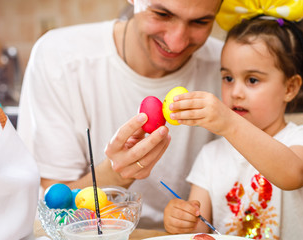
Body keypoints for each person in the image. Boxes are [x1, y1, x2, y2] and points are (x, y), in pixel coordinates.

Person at [17, 0, 223, 229]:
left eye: (200, 22)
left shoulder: (230, 69)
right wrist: (116, 174)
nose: (176, 42)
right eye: (162, 14)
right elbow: (56, 208)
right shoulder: (59, 59)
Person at [163, 0, 303, 238]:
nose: (236, 92)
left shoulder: (300, 140)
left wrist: (229, 123)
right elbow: (202, 229)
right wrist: (182, 220)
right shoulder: (211, 156)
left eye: (252, 80)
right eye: (228, 78)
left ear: (290, 88)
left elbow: (292, 175)